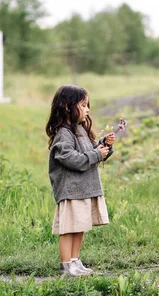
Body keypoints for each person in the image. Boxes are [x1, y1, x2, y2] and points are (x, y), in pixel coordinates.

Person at [45, 85, 116, 276]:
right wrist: (96, 154)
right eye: (83, 105)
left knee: (80, 227)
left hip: (84, 189)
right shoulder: (63, 133)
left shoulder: (80, 130)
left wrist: (104, 147)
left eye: (87, 106)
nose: (87, 110)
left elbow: (91, 153)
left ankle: (75, 262)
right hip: (71, 190)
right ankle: (66, 265)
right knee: (68, 229)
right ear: (68, 107)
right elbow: (69, 158)